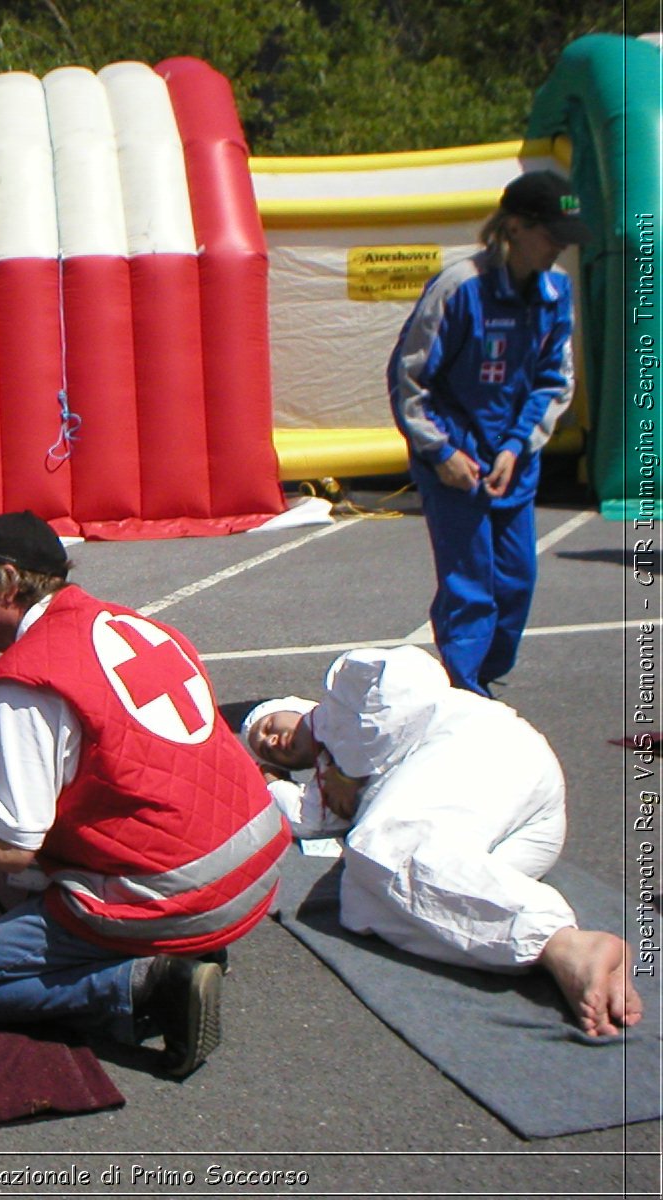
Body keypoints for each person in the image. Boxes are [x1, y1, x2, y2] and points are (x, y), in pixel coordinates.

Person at [0, 512, 290, 1076]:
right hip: (260, 863)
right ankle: (177, 942)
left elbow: (10, 846)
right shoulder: (130, 625)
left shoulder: (27, 682)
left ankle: (148, 982)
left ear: (8, 584)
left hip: (180, 891)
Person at [242, 645, 643, 1039]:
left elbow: (407, 674)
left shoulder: (348, 691)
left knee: (381, 845)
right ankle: (550, 953)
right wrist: (272, 780)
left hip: (487, 751)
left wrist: (340, 747)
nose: (273, 740)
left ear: (296, 706)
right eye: (265, 748)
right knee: (361, 901)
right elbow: (306, 820)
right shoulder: (328, 781)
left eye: (269, 726)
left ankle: (559, 941)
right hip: (514, 833)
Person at [389, 170, 591, 697]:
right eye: (553, 236)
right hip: (453, 460)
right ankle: (468, 691)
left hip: (513, 460)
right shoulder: (460, 287)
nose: (560, 249)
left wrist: (516, 445)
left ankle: (482, 673)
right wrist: (440, 451)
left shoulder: (555, 292)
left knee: (516, 581)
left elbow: (554, 380)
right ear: (516, 227)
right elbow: (408, 378)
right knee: (470, 586)